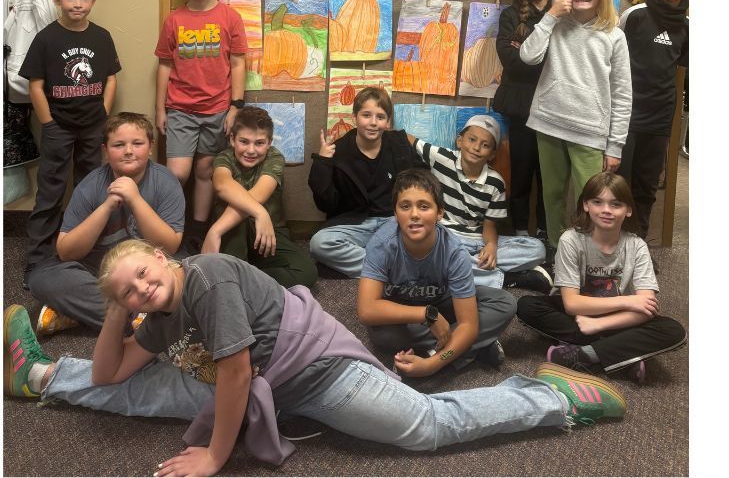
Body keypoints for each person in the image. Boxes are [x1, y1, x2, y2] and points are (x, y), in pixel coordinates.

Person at [4, 240, 627, 477]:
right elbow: (113, 371)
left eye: (142, 275)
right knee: (139, 392)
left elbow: (236, 371)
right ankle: (37, 372)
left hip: (315, 369)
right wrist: (117, 309)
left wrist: (216, 455)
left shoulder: (204, 278)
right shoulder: (160, 312)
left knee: (424, 428)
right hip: (254, 380)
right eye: (128, 293)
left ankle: (551, 396)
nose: (140, 290)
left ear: (164, 259)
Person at [516, 172, 686, 383]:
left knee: (673, 330)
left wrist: (598, 325)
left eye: (616, 204)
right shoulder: (571, 240)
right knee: (527, 305)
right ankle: (624, 354)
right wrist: (630, 300)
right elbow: (571, 304)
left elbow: (647, 309)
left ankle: (583, 353)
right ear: (586, 205)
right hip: (579, 313)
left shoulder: (637, 246)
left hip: (616, 317)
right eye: (598, 202)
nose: (606, 210)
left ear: (628, 210)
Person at [26, 112, 185, 334]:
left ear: (150, 147)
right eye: (118, 145)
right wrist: (106, 207)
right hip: (101, 271)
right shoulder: (90, 186)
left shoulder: (166, 182)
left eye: (137, 143)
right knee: (42, 277)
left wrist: (135, 200)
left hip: (145, 273)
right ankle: (141, 318)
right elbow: (66, 251)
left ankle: (78, 313)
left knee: (187, 271)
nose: (128, 151)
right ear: (105, 151)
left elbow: (169, 247)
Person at [19, 0, 121, 286]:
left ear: (93, 1)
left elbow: (110, 78)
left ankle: (88, 255)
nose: (77, 4)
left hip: (93, 127)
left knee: (90, 189)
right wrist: (48, 123)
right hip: (58, 127)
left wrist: (103, 114)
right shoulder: (46, 38)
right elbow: (36, 85)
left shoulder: (101, 37)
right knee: (50, 192)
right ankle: (37, 260)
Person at [520, 0, 632, 248]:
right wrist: (550, 16)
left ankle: (589, 255)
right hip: (549, 122)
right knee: (553, 196)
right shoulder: (554, 23)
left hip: (590, 131)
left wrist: (615, 145)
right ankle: (559, 253)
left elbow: (622, 93)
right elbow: (528, 57)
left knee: (592, 200)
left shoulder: (614, 34)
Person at [358, 169, 514, 372]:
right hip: (406, 313)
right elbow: (367, 310)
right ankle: (472, 346)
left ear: (440, 213)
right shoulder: (381, 244)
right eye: (405, 207)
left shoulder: (454, 251)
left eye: (424, 207)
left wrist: (432, 365)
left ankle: (437, 353)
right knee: (383, 335)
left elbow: (468, 324)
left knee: (505, 303)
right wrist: (426, 314)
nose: (414, 215)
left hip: (444, 303)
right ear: (395, 213)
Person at [155, 0, 247, 252]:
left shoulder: (229, 17)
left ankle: (196, 230)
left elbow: (237, 63)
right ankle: (167, 227)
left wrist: (236, 105)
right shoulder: (174, 20)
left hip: (217, 109)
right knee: (177, 173)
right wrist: (160, 109)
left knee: (205, 172)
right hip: (180, 108)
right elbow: (165, 65)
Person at [409, 115, 551, 293]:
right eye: (472, 140)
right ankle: (505, 278)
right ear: (459, 141)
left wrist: (491, 246)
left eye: (485, 145)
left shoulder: (496, 183)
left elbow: (490, 226)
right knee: (427, 250)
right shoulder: (441, 158)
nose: (476, 148)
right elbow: (409, 140)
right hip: (445, 236)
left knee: (537, 249)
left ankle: (466, 265)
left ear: (492, 154)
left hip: (477, 241)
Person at [308, 87, 424, 277]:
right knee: (318, 244)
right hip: (357, 224)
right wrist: (323, 162)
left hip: (393, 221)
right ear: (354, 118)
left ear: (387, 122)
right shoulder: (339, 151)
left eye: (380, 117)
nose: (373, 123)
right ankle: (393, 270)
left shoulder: (398, 144)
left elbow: (421, 182)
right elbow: (325, 203)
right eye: (366, 115)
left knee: (432, 235)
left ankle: (378, 268)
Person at [202, 106, 317, 288]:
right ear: (232, 139)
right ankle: (239, 276)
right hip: (232, 230)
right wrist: (258, 212)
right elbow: (223, 185)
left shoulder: (274, 157)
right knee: (233, 243)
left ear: (270, 142)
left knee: (306, 272)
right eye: (244, 141)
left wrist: (215, 230)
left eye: (259, 143)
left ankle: (242, 279)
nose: (251, 150)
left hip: (268, 231)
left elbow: (259, 195)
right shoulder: (224, 158)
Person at [618, 0, 689, 239]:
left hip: (660, 117)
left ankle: (639, 243)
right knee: (619, 183)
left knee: (647, 185)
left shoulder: (687, 25)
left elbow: (680, 67)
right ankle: (613, 242)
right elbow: (614, 57)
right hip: (627, 114)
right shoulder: (635, 15)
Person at [494, 0, 560, 243]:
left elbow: (562, 61)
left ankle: (547, 232)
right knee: (521, 171)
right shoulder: (511, 14)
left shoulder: (563, 13)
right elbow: (509, 59)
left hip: (556, 103)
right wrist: (528, 56)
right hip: (521, 105)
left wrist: (526, 50)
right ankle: (520, 229)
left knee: (550, 175)